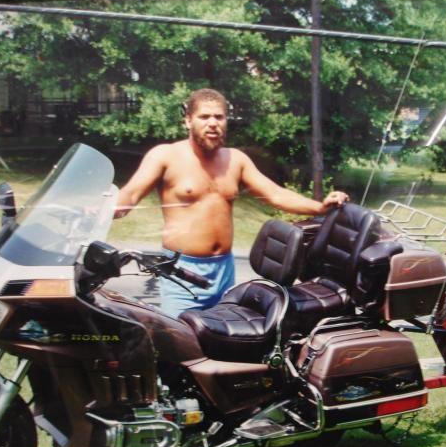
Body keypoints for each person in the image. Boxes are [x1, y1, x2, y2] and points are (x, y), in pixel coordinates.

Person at [114, 88, 349, 317]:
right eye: (204, 116)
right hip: (181, 273)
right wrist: (107, 208)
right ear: (188, 120)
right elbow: (130, 194)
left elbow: (276, 195)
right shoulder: (165, 156)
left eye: (219, 117)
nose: (212, 123)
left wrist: (320, 207)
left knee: (223, 336)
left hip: (224, 272)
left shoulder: (236, 160)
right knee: (179, 338)